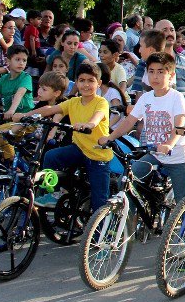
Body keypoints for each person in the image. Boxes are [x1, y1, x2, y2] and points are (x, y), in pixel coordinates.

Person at [20, 62, 114, 212]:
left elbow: (98, 116)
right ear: (76, 82)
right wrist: (24, 116)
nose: (86, 85)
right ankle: (54, 194)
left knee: (99, 201)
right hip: (79, 149)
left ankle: (100, 232)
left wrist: (89, 124)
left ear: (99, 83)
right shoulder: (73, 102)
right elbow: (50, 109)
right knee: (51, 156)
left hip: (98, 155)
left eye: (91, 81)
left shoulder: (101, 102)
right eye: (82, 80)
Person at [101, 53, 185, 201]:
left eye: (160, 72)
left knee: (184, 202)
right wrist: (110, 137)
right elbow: (129, 121)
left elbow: (180, 126)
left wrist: (169, 144)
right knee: (125, 183)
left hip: (177, 157)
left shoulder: (176, 97)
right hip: (154, 154)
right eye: (151, 71)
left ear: (171, 75)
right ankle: (132, 220)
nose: (155, 76)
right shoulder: (146, 97)